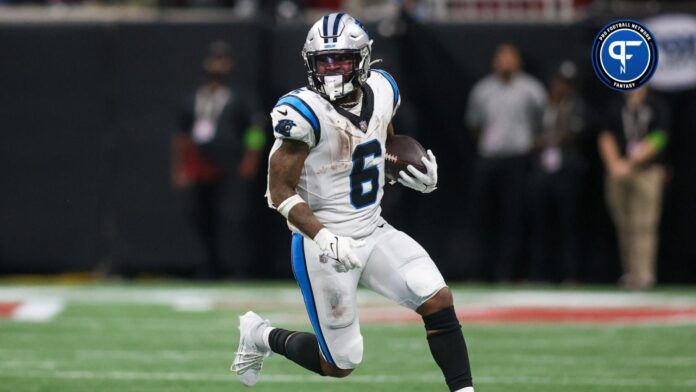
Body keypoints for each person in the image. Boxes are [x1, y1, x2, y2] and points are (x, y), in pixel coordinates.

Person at [231, 13, 474, 392]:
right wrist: (326, 237)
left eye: (341, 59)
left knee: (436, 297)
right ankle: (260, 334)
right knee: (341, 363)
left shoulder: (383, 89)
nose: (332, 69)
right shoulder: (303, 112)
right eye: (323, 61)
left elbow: (381, 144)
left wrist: (409, 173)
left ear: (362, 58)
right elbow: (278, 191)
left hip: (373, 229)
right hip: (322, 243)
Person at [171, 41, 265, 279]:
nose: (218, 66)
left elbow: (255, 129)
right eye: (215, 60)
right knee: (202, 215)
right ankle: (210, 265)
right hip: (200, 165)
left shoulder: (239, 97)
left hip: (231, 165)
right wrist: (181, 167)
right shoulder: (195, 97)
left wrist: (250, 159)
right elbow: (181, 135)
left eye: (223, 60)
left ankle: (238, 266)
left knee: (233, 217)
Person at [465, 43, 546, 281]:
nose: (505, 62)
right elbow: (474, 124)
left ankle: (510, 273)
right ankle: (481, 271)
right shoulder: (483, 90)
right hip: (489, 158)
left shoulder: (532, 90)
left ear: (518, 61)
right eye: (501, 57)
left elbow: (541, 124)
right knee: (484, 216)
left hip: (518, 159)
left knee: (515, 217)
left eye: (510, 57)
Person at [598, 87, 669, 290]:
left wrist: (631, 163)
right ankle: (630, 272)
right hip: (617, 170)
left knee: (644, 224)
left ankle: (644, 274)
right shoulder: (615, 104)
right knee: (624, 223)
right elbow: (605, 135)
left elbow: (660, 137)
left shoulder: (656, 105)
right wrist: (614, 164)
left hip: (646, 171)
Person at [528, 62, 586, 283]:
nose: (562, 87)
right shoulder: (544, 106)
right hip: (543, 170)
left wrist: (551, 138)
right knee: (540, 223)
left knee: (568, 224)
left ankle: (571, 274)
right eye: (559, 82)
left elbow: (575, 132)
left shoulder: (576, 106)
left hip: (567, 172)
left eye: (567, 84)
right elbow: (532, 134)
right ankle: (540, 274)